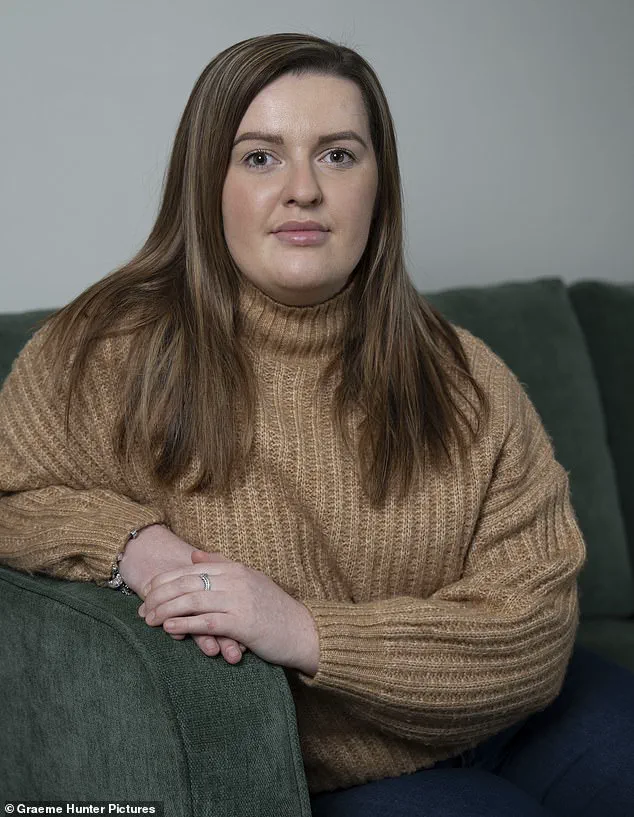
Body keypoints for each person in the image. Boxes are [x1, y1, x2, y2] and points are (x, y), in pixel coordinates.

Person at [1, 31, 633, 816]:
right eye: (260, 157)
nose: (303, 189)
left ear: (379, 185)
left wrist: (302, 629)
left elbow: (534, 631)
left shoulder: (466, 373)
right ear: (207, 182)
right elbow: (12, 493)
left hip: (518, 719)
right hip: (333, 772)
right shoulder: (102, 351)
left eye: (337, 155)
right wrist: (134, 545)